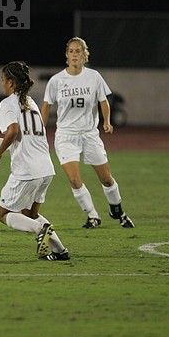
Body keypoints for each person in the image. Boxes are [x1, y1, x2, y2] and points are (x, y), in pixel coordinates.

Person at [41, 37, 135, 229]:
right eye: (72, 51)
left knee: (106, 179)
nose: (75, 54)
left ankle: (117, 209)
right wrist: (41, 129)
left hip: (90, 134)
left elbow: (103, 101)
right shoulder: (57, 81)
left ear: (85, 55)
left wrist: (107, 121)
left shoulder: (94, 76)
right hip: (66, 136)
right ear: (66, 55)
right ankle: (92, 215)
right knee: (74, 179)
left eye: (79, 51)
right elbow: (46, 105)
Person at [0, 61, 70, 261]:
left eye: (3, 80)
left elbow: (13, 131)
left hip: (27, 170)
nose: (2, 84)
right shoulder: (31, 103)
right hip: (46, 169)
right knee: (29, 213)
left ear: (12, 83)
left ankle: (41, 229)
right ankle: (60, 251)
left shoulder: (7, 104)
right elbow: (22, 135)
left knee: (3, 213)